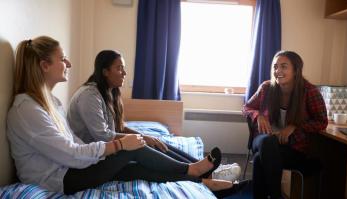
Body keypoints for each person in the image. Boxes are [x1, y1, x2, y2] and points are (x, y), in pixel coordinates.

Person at [6, 36, 245, 197]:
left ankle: (201, 180)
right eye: (62, 58)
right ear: (44, 65)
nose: (68, 62)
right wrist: (120, 144)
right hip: (60, 179)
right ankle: (192, 170)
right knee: (132, 150)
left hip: (73, 168)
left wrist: (124, 143)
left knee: (132, 168)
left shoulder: (51, 102)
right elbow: (73, 153)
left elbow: (75, 146)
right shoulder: (27, 110)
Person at [67, 50, 203, 168]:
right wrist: (141, 138)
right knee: (140, 144)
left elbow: (119, 127)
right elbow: (103, 136)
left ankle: (198, 165)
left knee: (156, 142)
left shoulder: (109, 92)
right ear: (105, 72)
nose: (124, 73)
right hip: (94, 155)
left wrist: (145, 136)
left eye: (123, 68)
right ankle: (191, 169)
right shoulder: (89, 95)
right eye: (119, 68)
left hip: (107, 149)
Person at [243, 50, 328, 199]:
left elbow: (321, 122)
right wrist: (259, 116)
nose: (278, 71)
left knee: (258, 160)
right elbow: (247, 107)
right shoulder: (266, 88)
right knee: (267, 142)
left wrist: (296, 126)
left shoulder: (309, 91)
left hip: (292, 147)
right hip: (263, 140)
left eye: (283, 66)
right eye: (275, 67)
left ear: (296, 70)